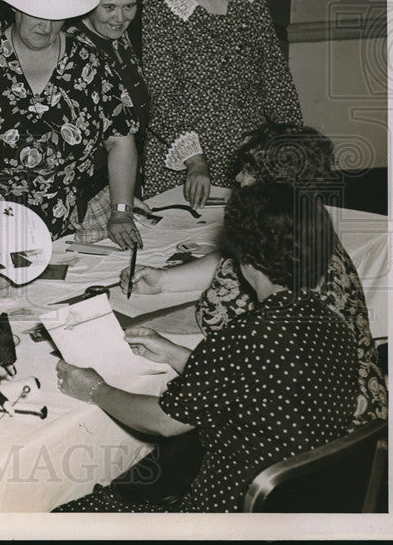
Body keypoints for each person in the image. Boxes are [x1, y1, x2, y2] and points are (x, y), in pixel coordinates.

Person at [54, 182, 360, 512]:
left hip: (216, 516)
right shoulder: (330, 322)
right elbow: (256, 385)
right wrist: (172, 352)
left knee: (61, 517)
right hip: (297, 507)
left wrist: (93, 389)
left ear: (244, 258)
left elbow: (164, 421)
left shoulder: (244, 335)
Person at [125, 123, 387, 426]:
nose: (237, 178)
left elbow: (184, 409)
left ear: (272, 184)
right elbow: (237, 256)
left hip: (309, 436)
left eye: (247, 170)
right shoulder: (304, 226)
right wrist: (165, 280)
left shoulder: (272, 312)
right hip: (362, 417)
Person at [141, 0, 304, 207]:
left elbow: (274, 72)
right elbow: (162, 94)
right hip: (188, 156)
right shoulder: (160, 8)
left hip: (248, 150)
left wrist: (290, 136)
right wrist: (194, 159)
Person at [0, 0, 142, 248]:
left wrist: (120, 212)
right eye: (36, 14)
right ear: (15, 7)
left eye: (57, 16)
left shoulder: (88, 61)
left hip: (76, 222)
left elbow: (120, 140)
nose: (46, 26)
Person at [70, 0, 154, 241]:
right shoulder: (75, 49)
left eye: (129, 7)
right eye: (109, 8)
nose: (120, 18)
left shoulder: (122, 38)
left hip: (121, 188)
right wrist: (120, 207)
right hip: (89, 200)